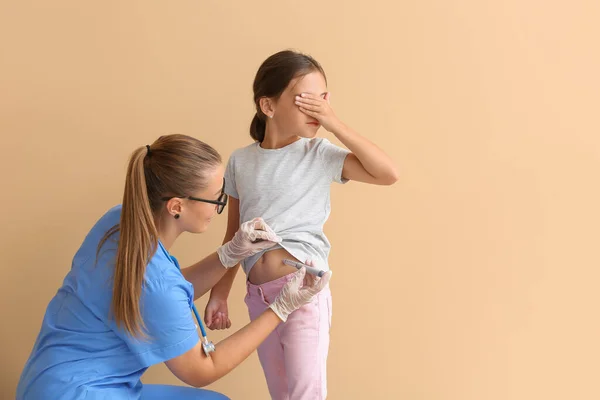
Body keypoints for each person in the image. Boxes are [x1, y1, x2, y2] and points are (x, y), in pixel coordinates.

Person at [16, 134, 331, 400]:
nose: (220, 209)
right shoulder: (157, 282)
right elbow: (200, 370)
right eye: (216, 200)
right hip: (82, 393)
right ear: (177, 206)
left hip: (46, 381)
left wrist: (230, 254)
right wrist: (281, 307)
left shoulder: (119, 221)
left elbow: (155, 292)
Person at [204, 50, 399, 399]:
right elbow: (235, 236)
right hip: (259, 297)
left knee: (304, 395)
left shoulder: (318, 153)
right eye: (305, 101)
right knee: (281, 394)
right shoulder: (241, 161)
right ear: (268, 106)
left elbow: (388, 174)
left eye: (322, 100)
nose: (317, 110)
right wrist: (219, 294)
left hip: (302, 290)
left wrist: (334, 123)